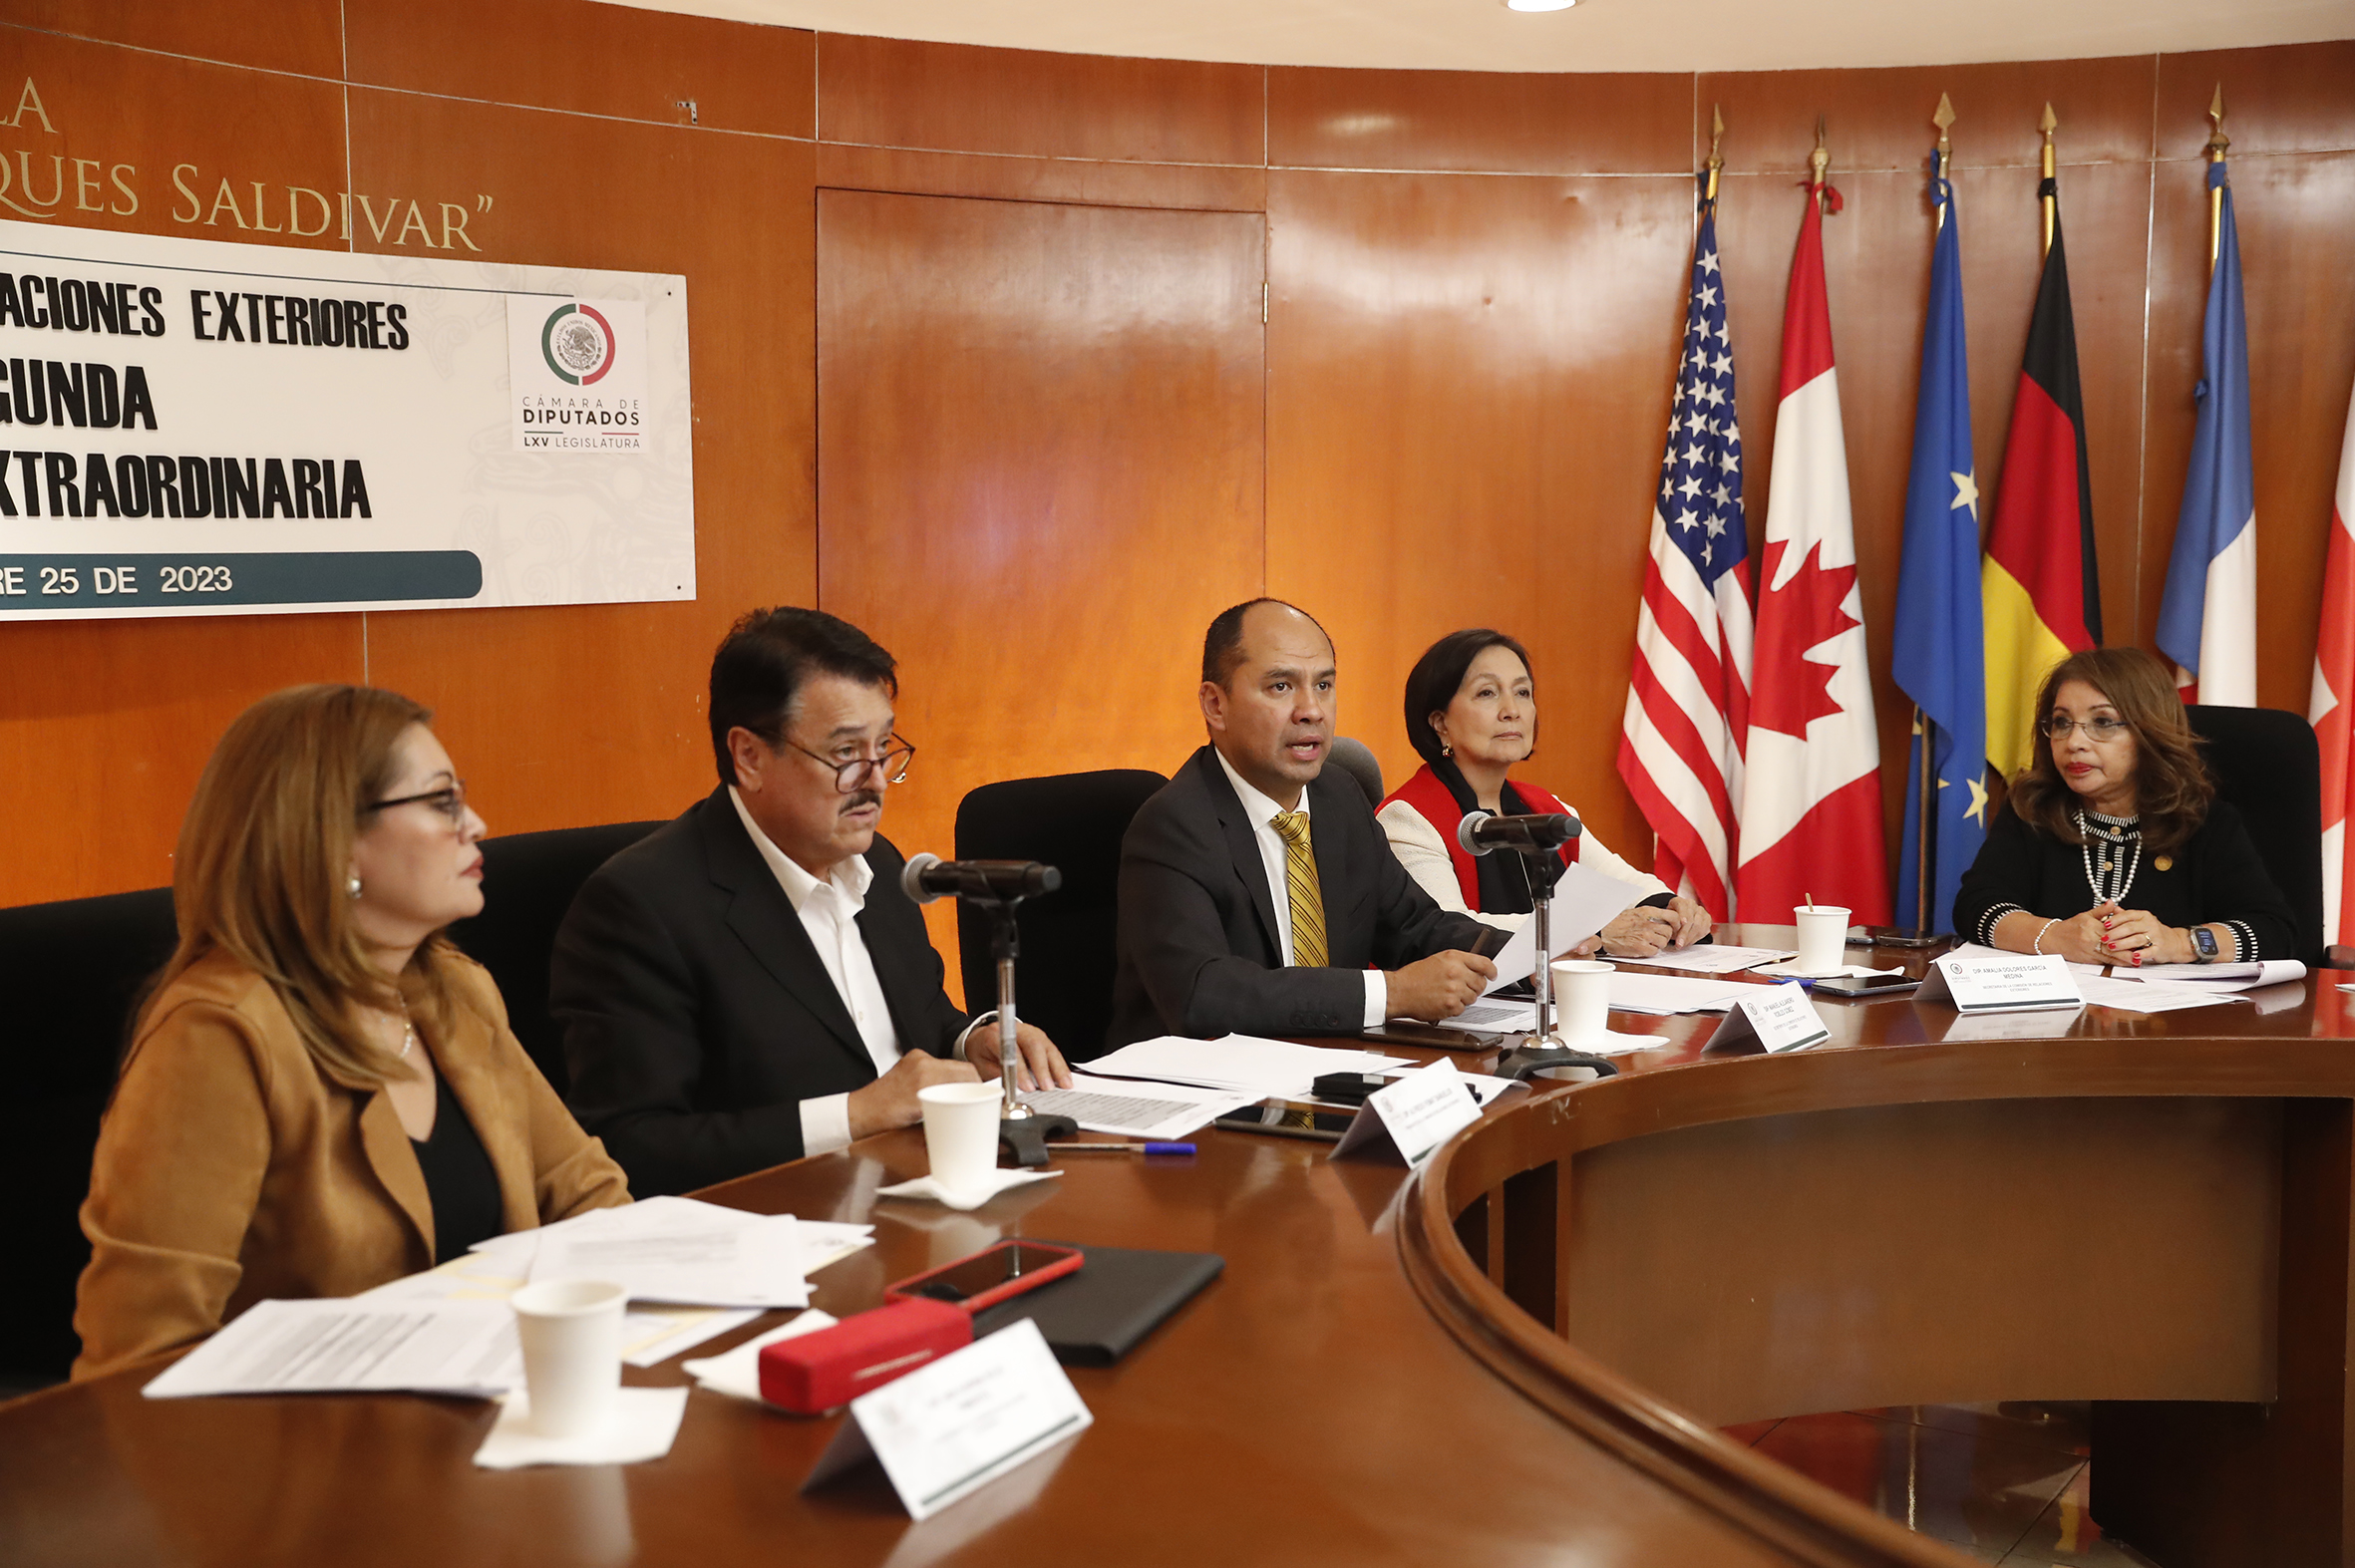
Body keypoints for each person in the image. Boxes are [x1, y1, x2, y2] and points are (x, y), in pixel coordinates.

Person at [73, 686, 629, 1380]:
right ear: (332, 840)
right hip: (306, 1440)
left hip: (494, 1407)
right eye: (442, 800)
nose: (477, 823)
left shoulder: (453, 991)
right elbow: (140, 1357)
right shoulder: (219, 1035)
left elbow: (587, 1197)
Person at [553, 607, 1072, 1197]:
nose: (876, 780)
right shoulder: (642, 907)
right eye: (846, 753)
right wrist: (856, 1114)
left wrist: (972, 1038)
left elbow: (917, 1024)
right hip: (780, 1221)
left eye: (884, 747)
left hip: (918, 1189)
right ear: (749, 756)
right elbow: (630, 1147)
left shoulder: (879, 866)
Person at [1106, 598, 1498, 1049]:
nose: (1312, 710)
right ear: (1216, 705)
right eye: (1281, 686)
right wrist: (1391, 993)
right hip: (1199, 1079)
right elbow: (1203, 993)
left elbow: (1417, 927)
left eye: (1324, 685)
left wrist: (1534, 957)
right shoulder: (1173, 825)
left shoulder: (1339, 797)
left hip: (1328, 1064)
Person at [1378, 628, 1714, 957]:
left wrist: (1675, 909)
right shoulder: (1407, 818)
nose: (1512, 710)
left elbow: (1627, 885)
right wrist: (1593, 933)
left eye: (1523, 692)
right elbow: (1446, 930)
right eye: (1487, 693)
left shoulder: (1543, 808)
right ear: (1440, 722)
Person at [1952, 647, 2295, 965]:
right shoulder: (2033, 809)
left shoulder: (2204, 823)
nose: (2074, 742)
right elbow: (1976, 907)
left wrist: (2179, 942)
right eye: (2061, 722)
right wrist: (2052, 936)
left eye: (2102, 722)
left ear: (2149, 731)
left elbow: (2274, 932)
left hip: (2170, 1010)